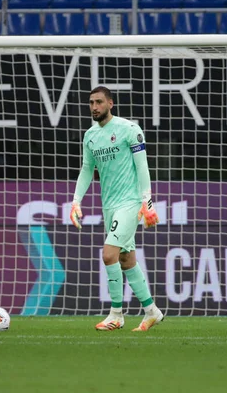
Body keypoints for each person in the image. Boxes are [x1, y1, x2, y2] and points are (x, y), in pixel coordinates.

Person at [69, 86, 163, 332]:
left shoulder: (129, 130)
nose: (94, 107)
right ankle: (151, 310)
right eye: (91, 103)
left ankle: (116, 314)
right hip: (109, 205)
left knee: (109, 254)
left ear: (110, 103)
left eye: (99, 102)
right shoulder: (90, 136)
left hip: (130, 202)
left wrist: (147, 202)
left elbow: (142, 166)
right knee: (125, 259)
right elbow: (87, 169)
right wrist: (76, 201)